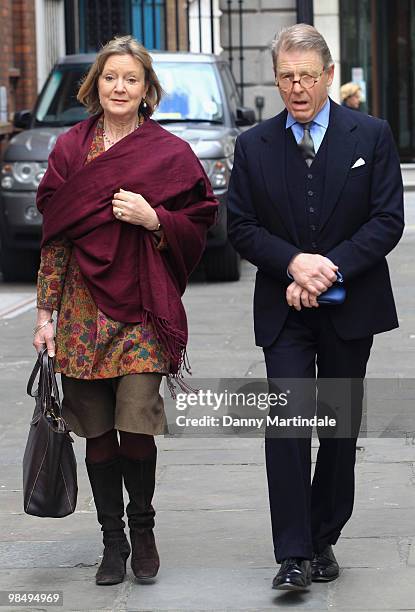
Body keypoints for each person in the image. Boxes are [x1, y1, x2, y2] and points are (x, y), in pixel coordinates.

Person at [33, 35, 217, 586]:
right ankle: (111, 541)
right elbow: (54, 240)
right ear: (96, 85)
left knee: (136, 425)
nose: (120, 87)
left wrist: (154, 218)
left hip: (140, 307)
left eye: (131, 79)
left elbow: (202, 216)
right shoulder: (69, 150)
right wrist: (46, 315)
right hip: (82, 313)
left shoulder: (169, 152)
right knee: (97, 433)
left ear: (146, 90)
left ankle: (143, 528)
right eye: (110, 77)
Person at [227, 24, 404, 592]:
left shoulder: (371, 135)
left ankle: (324, 533)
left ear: (329, 75)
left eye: (307, 76)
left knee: (337, 429)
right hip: (285, 311)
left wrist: (325, 268)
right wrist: (293, 265)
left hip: (351, 306)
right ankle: (294, 553)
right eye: (286, 77)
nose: (297, 87)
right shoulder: (254, 145)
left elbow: (386, 221)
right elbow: (242, 226)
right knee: (286, 424)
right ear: (276, 78)